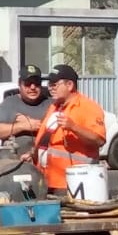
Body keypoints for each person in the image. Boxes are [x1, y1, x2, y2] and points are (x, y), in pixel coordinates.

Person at [29, 64, 107, 193]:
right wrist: (34, 153)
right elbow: (47, 139)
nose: (50, 89)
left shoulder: (88, 107)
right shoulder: (55, 106)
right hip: (47, 179)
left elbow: (99, 140)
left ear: (69, 85)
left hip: (73, 182)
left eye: (54, 85)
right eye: (49, 85)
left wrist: (73, 127)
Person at [0, 64, 52, 157]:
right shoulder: (9, 103)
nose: (32, 87)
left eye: (37, 83)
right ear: (19, 84)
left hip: (42, 162)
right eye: (28, 83)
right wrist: (22, 126)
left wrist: (37, 124)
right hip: (14, 164)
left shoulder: (50, 104)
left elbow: (58, 129)